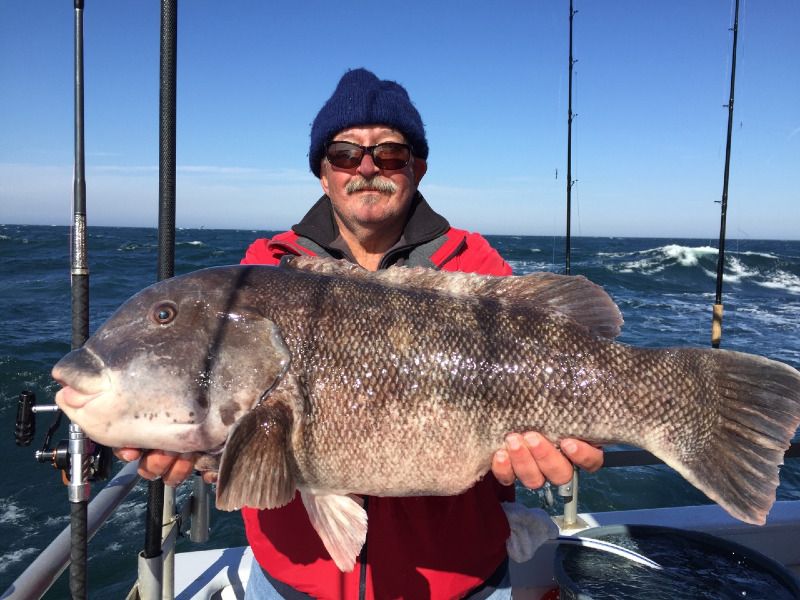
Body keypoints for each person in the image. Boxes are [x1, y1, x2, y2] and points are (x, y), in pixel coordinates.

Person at [116, 68, 603, 599]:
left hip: (460, 583)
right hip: (290, 582)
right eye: (345, 154)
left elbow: (561, 371)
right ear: (323, 174)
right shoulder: (264, 271)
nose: (367, 167)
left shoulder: (475, 265)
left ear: (417, 168)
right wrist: (194, 446)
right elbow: (228, 412)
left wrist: (562, 445)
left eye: (389, 154)